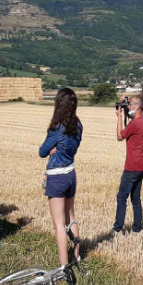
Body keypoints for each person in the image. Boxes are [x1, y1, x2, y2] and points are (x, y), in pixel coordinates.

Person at [38, 88, 82, 265]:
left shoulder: (57, 127)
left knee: (59, 224)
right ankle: (77, 257)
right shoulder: (78, 125)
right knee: (71, 217)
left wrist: (51, 150)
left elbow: (42, 152)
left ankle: (64, 266)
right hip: (71, 173)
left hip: (56, 176)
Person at [112, 94, 143, 234]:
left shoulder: (134, 123)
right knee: (135, 198)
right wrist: (124, 104)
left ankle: (117, 228)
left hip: (131, 167)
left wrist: (119, 116)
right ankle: (137, 228)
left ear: (137, 106)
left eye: (131, 104)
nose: (129, 107)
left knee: (122, 197)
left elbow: (120, 136)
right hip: (142, 166)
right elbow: (134, 117)